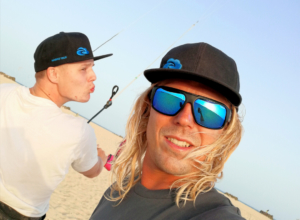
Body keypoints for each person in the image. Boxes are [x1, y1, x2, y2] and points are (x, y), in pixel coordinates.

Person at [90, 42, 246, 220]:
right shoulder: (116, 192)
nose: (184, 119)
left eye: (210, 113)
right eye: (169, 99)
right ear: (147, 109)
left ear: (225, 132)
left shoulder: (215, 215)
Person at [0, 32, 112, 220]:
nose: (93, 76)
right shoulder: (79, 130)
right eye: (84, 69)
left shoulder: (4, 91)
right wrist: (101, 156)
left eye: (92, 67)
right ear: (53, 73)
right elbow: (93, 171)